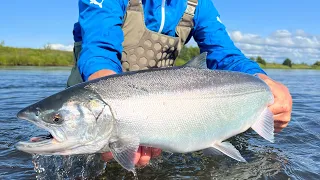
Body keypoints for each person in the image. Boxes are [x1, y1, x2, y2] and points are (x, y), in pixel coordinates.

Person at [67, 0, 292, 167]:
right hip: (93, 97)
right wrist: (109, 115)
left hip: (162, 106)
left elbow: (223, 52)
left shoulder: (197, 4)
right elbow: (100, 47)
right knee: (85, 159)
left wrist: (263, 80)